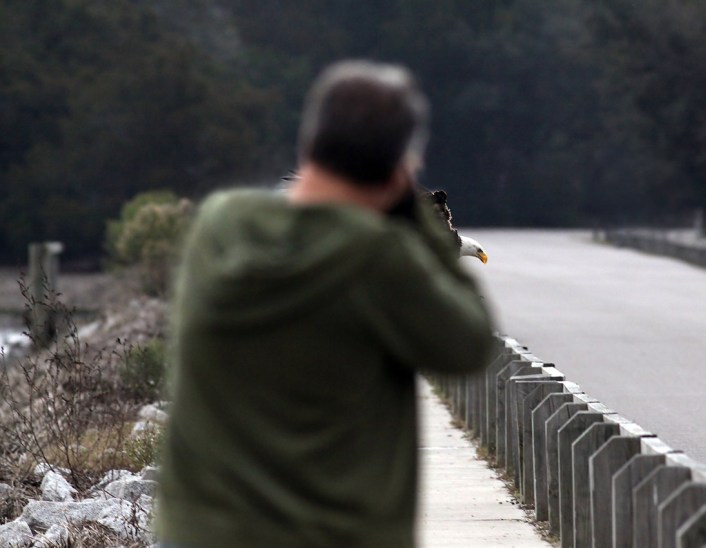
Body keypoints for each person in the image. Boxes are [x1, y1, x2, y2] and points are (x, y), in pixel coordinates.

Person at [156, 60, 496, 547]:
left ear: (310, 143)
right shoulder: (381, 258)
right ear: (399, 164)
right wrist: (419, 214)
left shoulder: (220, 226)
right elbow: (470, 343)